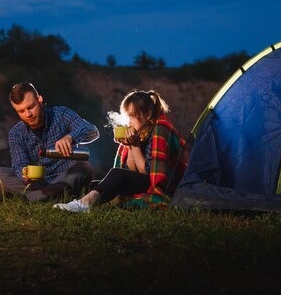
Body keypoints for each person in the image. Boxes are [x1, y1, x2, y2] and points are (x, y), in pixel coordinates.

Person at [53, 89, 189, 212]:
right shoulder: (140, 132)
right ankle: (69, 200)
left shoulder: (160, 128)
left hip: (166, 186)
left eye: (133, 115)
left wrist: (134, 145)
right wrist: (130, 145)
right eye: (127, 116)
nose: (129, 121)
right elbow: (131, 170)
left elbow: (149, 174)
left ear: (147, 114)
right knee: (94, 185)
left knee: (117, 175)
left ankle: (84, 204)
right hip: (145, 181)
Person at [0, 82, 100, 202]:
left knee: (83, 167)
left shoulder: (61, 114)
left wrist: (70, 137)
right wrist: (24, 173)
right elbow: (19, 163)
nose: (28, 114)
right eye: (21, 111)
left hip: (65, 177)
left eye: (31, 107)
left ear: (40, 100)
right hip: (37, 184)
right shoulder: (16, 133)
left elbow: (92, 131)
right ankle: (45, 198)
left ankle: (32, 198)